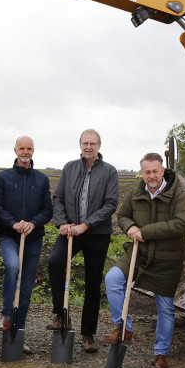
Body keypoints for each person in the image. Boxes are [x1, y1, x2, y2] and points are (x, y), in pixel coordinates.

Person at [101, 152, 185, 368]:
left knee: (165, 308)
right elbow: (122, 215)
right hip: (138, 252)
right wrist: (130, 227)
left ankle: (161, 354)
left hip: (167, 258)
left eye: (155, 171)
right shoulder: (136, 192)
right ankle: (124, 328)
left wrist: (145, 232)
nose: (151, 176)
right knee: (112, 278)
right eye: (147, 172)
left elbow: (181, 224)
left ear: (162, 171)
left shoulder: (177, 193)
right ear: (142, 173)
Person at [47, 129, 119, 353]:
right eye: (85, 143)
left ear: (99, 146)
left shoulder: (109, 171)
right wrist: (62, 223)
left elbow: (110, 204)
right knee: (55, 261)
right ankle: (61, 313)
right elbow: (58, 198)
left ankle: (88, 334)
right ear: (80, 145)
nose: (89, 147)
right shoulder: (70, 168)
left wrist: (86, 224)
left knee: (92, 283)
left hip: (97, 234)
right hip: (70, 232)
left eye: (93, 143)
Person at [0, 136, 52, 354]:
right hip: (9, 235)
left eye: (29, 148)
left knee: (26, 288)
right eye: (21, 148)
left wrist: (33, 223)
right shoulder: (3, 178)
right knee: (12, 266)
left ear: (33, 151)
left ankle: (18, 335)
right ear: (15, 151)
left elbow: (48, 210)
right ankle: (7, 315)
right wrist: (14, 223)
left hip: (33, 238)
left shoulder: (42, 179)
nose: (25, 152)